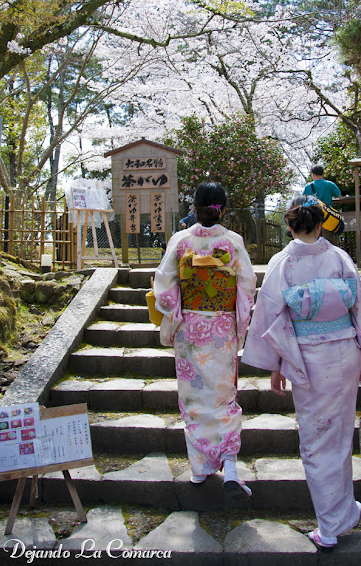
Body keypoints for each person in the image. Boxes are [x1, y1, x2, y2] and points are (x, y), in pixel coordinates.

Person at [242, 195, 361, 549]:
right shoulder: (339, 258)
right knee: (338, 436)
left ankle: (330, 526)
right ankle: (342, 512)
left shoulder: (284, 263)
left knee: (316, 441)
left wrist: (277, 365)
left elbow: (271, 318)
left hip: (308, 359)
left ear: (289, 226)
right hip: (346, 352)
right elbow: (360, 309)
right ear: (321, 224)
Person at [154, 182, 257, 502]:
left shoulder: (181, 241)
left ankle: (199, 468)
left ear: (194, 208)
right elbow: (247, 287)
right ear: (222, 209)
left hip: (190, 329)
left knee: (194, 399)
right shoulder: (233, 242)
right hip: (222, 327)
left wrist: (173, 318)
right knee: (224, 396)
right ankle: (230, 466)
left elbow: (164, 287)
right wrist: (240, 326)